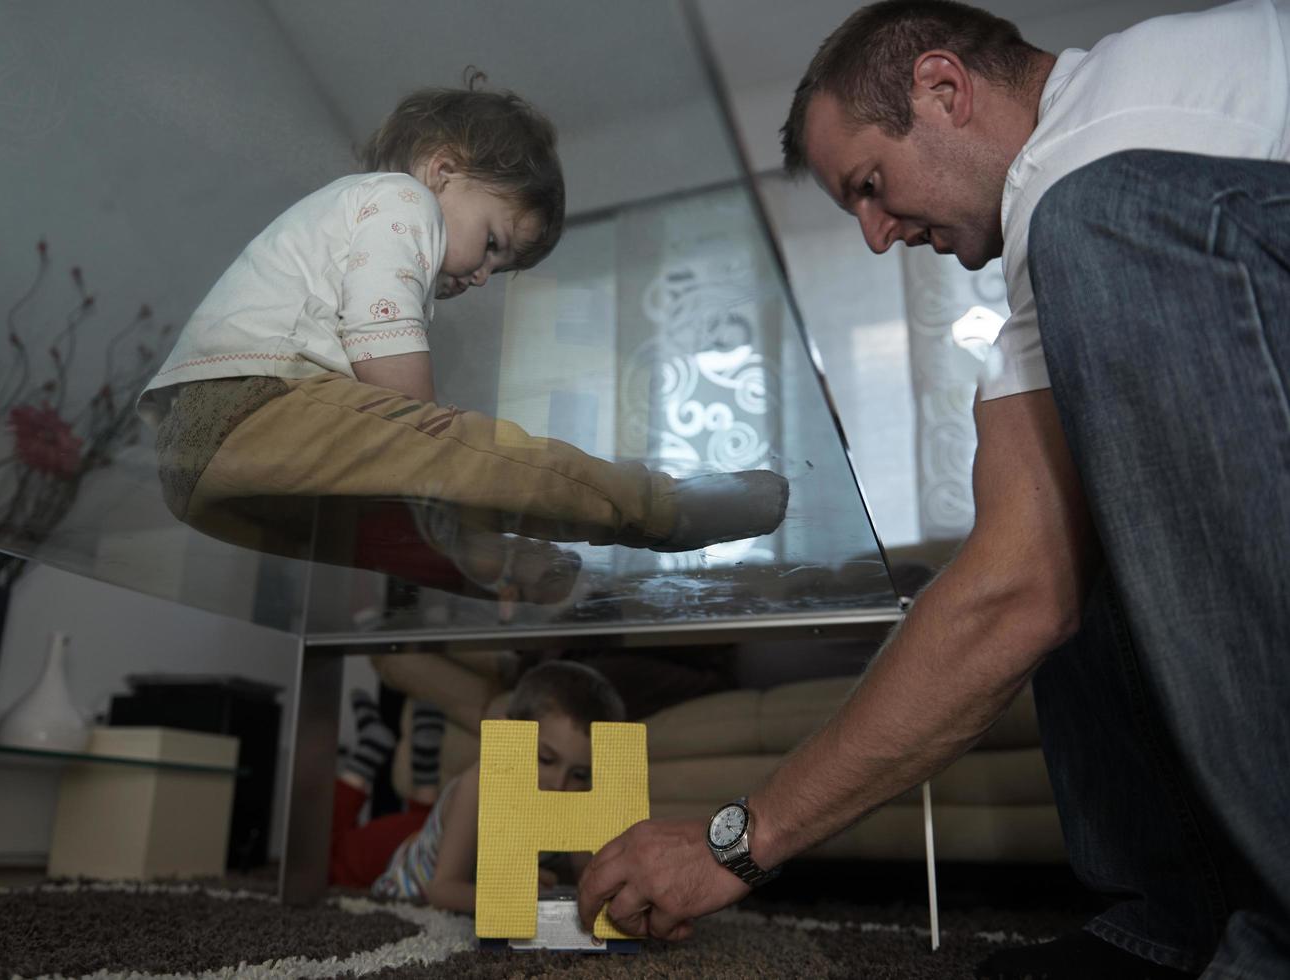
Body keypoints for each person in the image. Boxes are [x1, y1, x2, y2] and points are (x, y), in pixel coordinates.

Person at [576, 2, 1290, 978]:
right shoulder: (1069, 230)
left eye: (868, 186)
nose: (874, 235)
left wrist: (729, 843)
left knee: (1093, 230)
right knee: (1068, 507)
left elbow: (1009, 595)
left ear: (943, 89)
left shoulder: (1107, 158)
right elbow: (1016, 578)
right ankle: (1179, 923)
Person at [137, 74, 789, 604]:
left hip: (201, 473)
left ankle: (500, 566)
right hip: (244, 407)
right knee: (466, 451)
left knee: (390, 527)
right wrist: (429, 431)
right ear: (443, 170)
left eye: (497, 270)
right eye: (492, 244)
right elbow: (393, 367)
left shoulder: (357, 220)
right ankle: (659, 506)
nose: (481, 276)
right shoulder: (398, 200)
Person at [329, 660, 625, 912]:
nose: (559, 784)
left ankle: (423, 753)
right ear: (505, 733)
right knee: (334, 860)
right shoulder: (478, 786)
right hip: (408, 888)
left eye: (580, 774)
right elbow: (441, 890)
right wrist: (513, 897)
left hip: (464, 869)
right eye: (545, 759)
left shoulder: (573, 796)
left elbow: (587, 880)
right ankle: (380, 754)